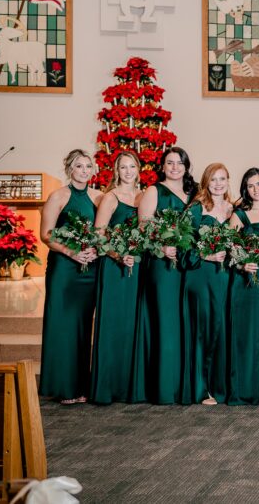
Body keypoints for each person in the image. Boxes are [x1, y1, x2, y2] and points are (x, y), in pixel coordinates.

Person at [132, 146, 196, 404]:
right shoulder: (153, 191)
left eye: (179, 163)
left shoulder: (193, 193)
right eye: (170, 163)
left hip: (187, 265)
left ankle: (185, 386)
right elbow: (144, 226)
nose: (174, 167)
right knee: (166, 323)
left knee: (185, 323)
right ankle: (164, 387)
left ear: (186, 166)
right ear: (163, 166)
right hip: (163, 264)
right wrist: (162, 247)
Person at [39, 149, 102, 404]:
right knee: (62, 326)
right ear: (70, 169)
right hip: (65, 270)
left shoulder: (99, 197)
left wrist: (95, 250)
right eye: (79, 166)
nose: (84, 170)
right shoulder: (58, 196)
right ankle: (64, 387)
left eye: (88, 166)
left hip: (90, 270)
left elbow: (104, 231)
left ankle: (81, 385)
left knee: (83, 326)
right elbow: (46, 234)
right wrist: (72, 252)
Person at [91, 151, 143, 404]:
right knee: (114, 324)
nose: (128, 171)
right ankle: (107, 387)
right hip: (115, 267)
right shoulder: (110, 198)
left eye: (132, 166)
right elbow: (98, 235)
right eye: (123, 167)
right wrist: (118, 254)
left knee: (134, 326)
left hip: (139, 268)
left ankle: (129, 387)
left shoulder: (145, 197)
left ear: (138, 169)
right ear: (116, 171)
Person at [180, 163, 233, 405]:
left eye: (222, 179)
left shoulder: (234, 210)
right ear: (206, 182)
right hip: (201, 275)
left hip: (225, 277)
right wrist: (205, 255)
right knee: (203, 328)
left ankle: (219, 385)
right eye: (213, 180)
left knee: (221, 328)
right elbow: (183, 244)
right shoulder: (196, 209)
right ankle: (202, 388)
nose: (218, 184)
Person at [226, 168, 259, 405]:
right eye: (250, 186)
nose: (255, 190)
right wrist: (241, 263)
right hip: (246, 278)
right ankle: (245, 388)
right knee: (247, 331)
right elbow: (230, 247)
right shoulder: (240, 214)